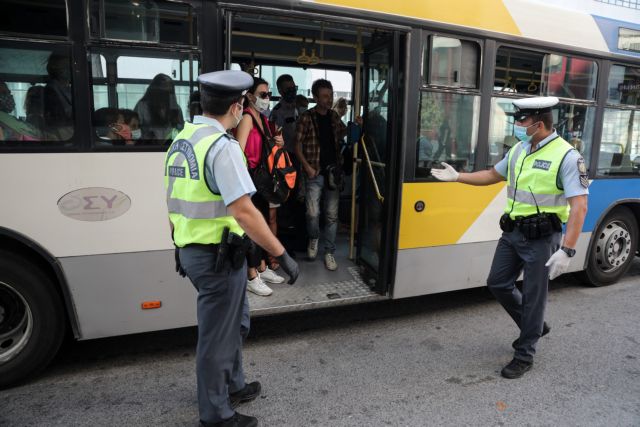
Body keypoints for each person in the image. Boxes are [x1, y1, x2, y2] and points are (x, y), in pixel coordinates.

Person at [165, 70, 299, 427]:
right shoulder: (221, 147)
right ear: (237, 106)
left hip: (201, 252)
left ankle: (234, 385)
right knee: (218, 338)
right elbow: (244, 211)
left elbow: (173, 200)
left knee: (236, 322)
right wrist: (281, 254)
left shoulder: (182, 139)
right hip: (215, 257)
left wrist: (179, 243)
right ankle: (216, 414)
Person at [431, 96, 589, 379]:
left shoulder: (567, 156)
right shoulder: (520, 148)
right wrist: (458, 177)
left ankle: (524, 354)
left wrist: (567, 250)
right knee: (497, 282)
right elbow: (493, 175)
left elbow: (580, 206)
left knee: (534, 298)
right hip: (512, 232)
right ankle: (534, 326)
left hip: (542, 238)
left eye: (522, 120)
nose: (517, 125)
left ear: (539, 123)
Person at [235, 77, 286, 296]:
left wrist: (279, 142)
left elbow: (267, 147)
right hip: (250, 179)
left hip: (262, 181)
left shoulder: (263, 119)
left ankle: (263, 267)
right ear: (250, 96)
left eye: (269, 94)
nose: (267, 98)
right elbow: (239, 151)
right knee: (252, 228)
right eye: (263, 94)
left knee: (263, 223)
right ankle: (251, 274)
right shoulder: (247, 118)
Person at [295, 79, 348, 271]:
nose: (329, 99)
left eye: (330, 95)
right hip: (314, 171)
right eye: (325, 96)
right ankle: (314, 238)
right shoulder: (306, 117)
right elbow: (297, 145)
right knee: (313, 213)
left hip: (333, 172)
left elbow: (343, 133)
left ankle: (329, 252)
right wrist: (308, 167)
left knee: (332, 215)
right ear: (315, 98)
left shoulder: (334, 117)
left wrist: (356, 126)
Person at [135, 73, 184, 142]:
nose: (166, 95)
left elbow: (181, 130)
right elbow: (135, 128)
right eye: (163, 91)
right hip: (147, 145)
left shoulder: (176, 109)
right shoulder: (142, 106)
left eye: (169, 92)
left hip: (171, 145)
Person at [43, 52, 73, 140]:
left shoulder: (69, 89)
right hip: (62, 135)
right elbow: (57, 119)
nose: (70, 69)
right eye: (65, 67)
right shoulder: (51, 90)